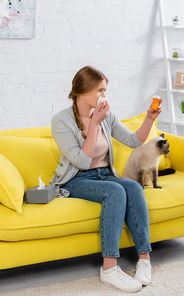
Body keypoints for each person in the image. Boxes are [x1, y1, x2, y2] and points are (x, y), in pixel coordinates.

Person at [50, 66, 162, 293]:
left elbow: (133, 140)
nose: (104, 96)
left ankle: (144, 260)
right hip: (76, 179)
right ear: (82, 91)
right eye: (100, 90)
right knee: (115, 191)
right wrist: (94, 124)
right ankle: (109, 268)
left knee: (132, 186)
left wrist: (149, 119)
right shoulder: (61, 120)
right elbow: (81, 161)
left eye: (105, 90)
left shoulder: (106, 114)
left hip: (105, 175)